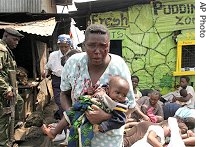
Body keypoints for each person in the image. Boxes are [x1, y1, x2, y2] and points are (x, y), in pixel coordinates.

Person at [59, 24, 136, 147]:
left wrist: (106, 117)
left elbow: (130, 106)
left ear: (109, 45)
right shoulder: (73, 63)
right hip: (78, 136)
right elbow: (64, 94)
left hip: (108, 140)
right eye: (91, 45)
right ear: (84, 45)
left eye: (103, 46)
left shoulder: (119, 67)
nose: (97, 51)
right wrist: (73, 116)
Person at [42, 75, 130, 146]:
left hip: (91, 122)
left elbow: (120, 120)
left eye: (124, 95)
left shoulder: (119, 105)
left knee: (83, 135)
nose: (120, 97)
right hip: (84, 110)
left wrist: (104, 125)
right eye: (117, 93)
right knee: (68, 114)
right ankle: (54, 132)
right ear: (108, 89)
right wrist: (89, 92)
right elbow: (91, 95)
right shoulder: (102, 90)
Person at [0, 28, 24, 146]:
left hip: (9, 89)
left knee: (19, 102)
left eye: (18, 40)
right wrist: (6, 89)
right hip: (2, 91)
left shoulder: (7, 50)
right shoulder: (2, 50)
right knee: (3, 117)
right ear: (5, 36)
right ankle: (3, 143)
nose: (17, 42)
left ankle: (11, 135)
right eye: (14, 39)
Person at [42, 34, 73, 120]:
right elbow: (48, 67)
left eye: (66, 46)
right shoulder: (53, 55)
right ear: (58, 45)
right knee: (59, 101)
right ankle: (65, 121)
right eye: (61, 46)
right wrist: (45, 72)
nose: (63, 49)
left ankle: (65, 119)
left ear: (69, 45)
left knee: (71, 100)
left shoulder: (73, 55)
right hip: (57, 80)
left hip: (70, 80)